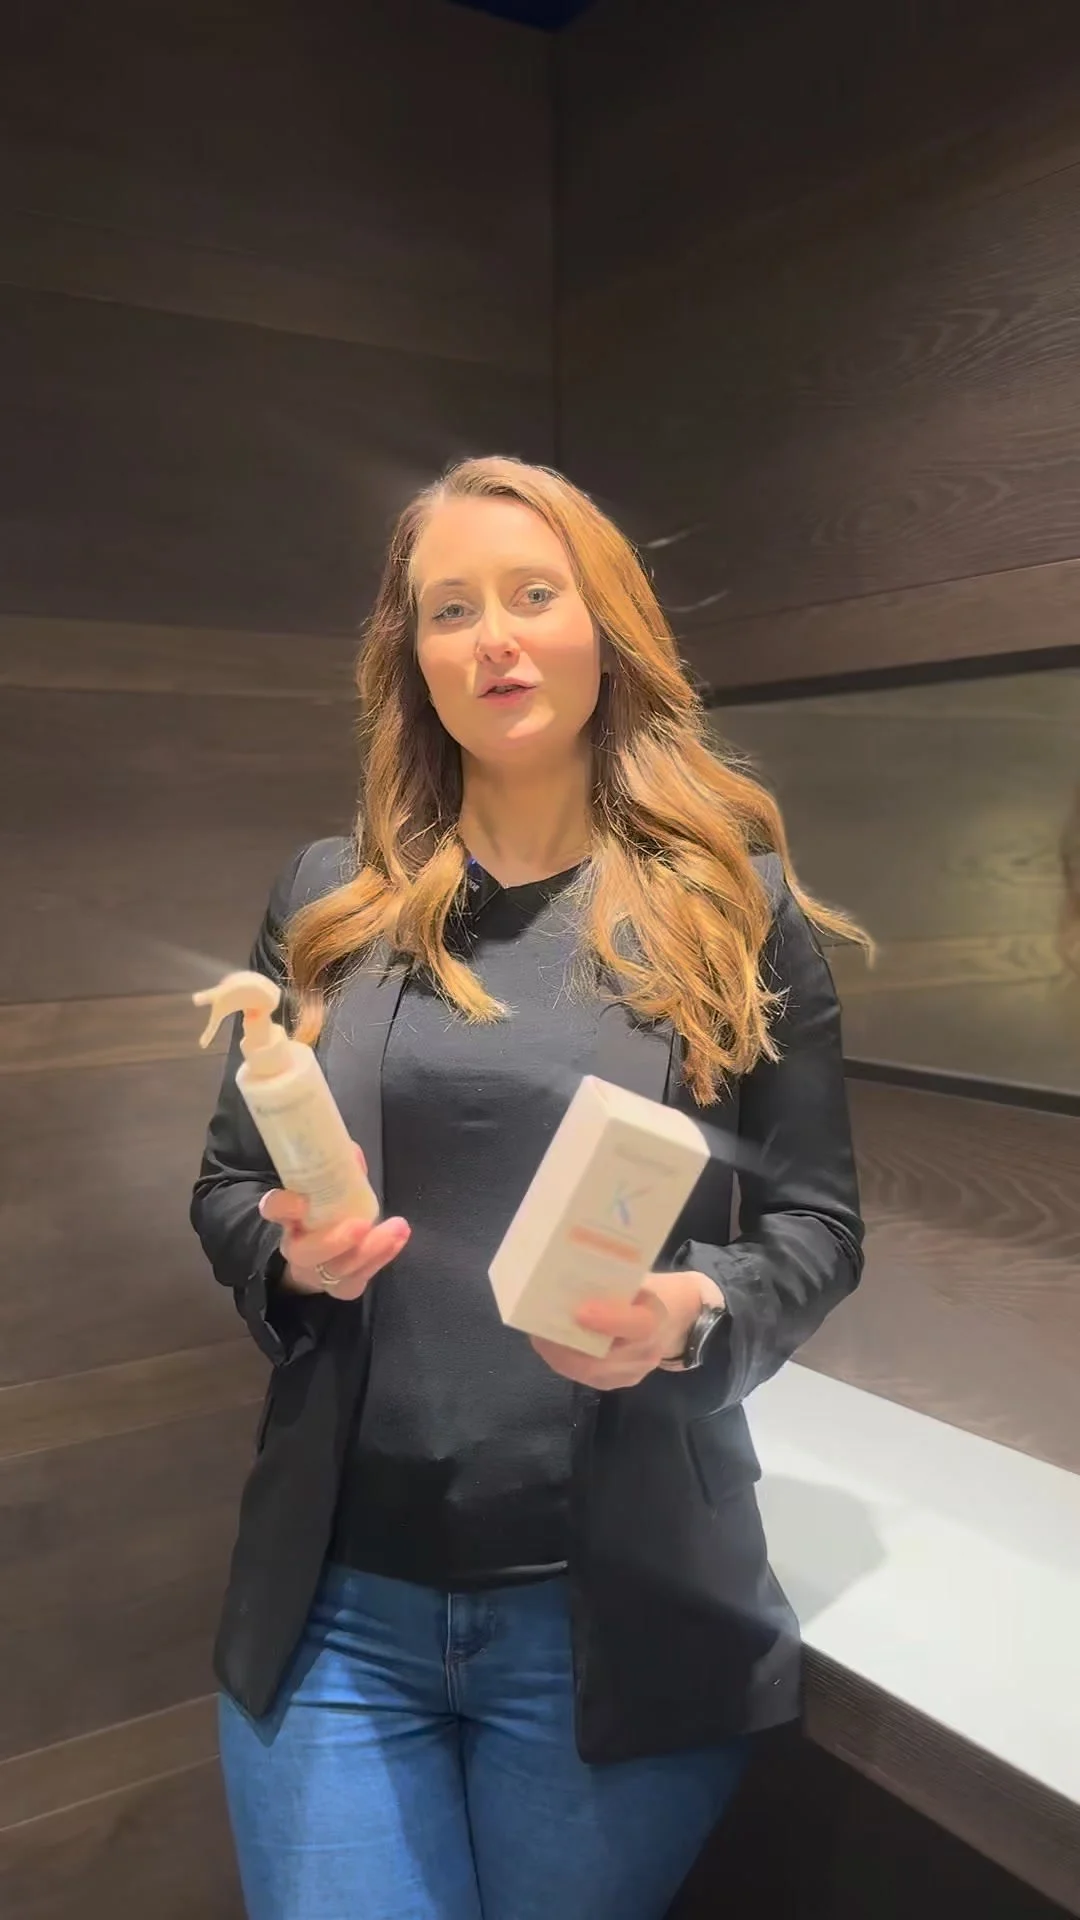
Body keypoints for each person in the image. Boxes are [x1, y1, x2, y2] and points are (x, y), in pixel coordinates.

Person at [191, 455, 865, 1920]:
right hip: (339, 1610)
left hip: (612, 1619)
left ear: (603, 629)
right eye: (451, 608)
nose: (493, 637)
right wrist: (287, 1253)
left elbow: (817, 1226)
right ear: (414, 658)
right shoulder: (330, 901)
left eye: (533, 594)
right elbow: (231, 1186)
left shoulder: (732, 908)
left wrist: (691, 1313)